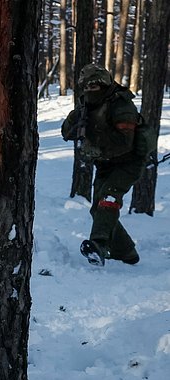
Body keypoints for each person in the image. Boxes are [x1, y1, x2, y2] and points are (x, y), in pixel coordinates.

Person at [61, 63, 146, 267]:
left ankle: (99, 244)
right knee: (97, 210)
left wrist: (97, 143)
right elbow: (66, 132)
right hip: (106, 164)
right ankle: (127, 252)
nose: (90, 91)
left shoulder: (122, 105)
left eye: (95, 87)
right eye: (87, 87)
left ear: (104, 85)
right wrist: (77, 121)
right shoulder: (86, 106)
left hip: (129, 162)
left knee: (108, 199)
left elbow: (125, 144)